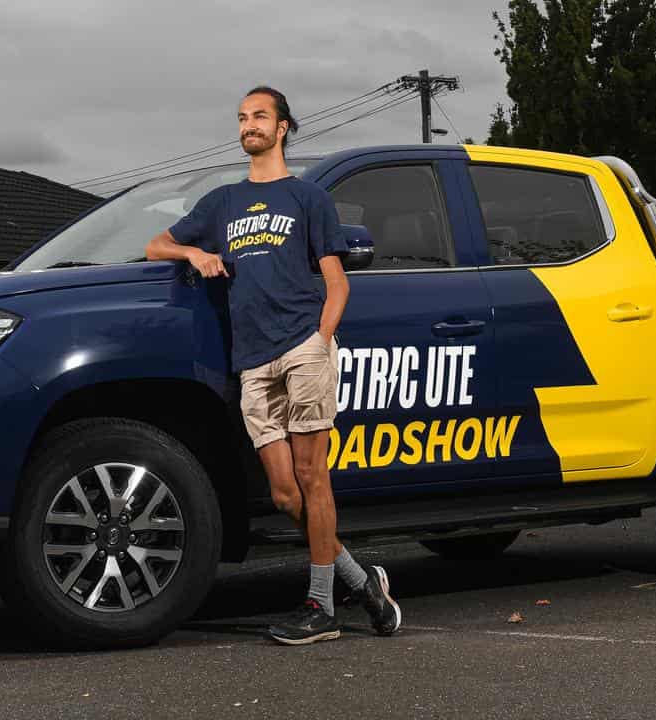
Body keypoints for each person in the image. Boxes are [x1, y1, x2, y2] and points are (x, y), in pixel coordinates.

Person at [145, 86, 401, 645]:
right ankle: (362, 583)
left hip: (301, 346)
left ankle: (321, 606)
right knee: (285, 494)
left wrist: (320, 340)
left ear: (282, 127)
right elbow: (156, 245)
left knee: (314, 477)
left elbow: (337, 281)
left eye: (259, 116)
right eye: (241, 117)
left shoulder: (308, 199)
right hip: (252, 359)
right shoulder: (223, 203)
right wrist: (196, 252)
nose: (248, 125)